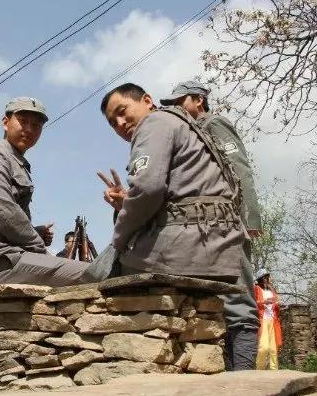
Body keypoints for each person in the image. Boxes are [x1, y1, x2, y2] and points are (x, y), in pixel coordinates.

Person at [158, 81, 261, 371]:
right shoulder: (186, 133)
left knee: (238, 300)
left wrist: (249, 217)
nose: (176, 108)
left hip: (229, 221)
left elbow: (240, 168)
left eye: (181, 101)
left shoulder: (214, 124)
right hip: (203, 227)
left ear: (199, 100)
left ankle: (244, 376)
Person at [98, 83, 246, 283]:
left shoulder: (153, 123)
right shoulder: (179, 124)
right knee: (237, 312)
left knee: (97, 277)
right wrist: (127, 201)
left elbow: (148, 190)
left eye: (122, 112)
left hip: (188, 247)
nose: (120, 123)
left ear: (147, 101)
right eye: (113, 123)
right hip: (219, 241)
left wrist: (118, 240)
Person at [0, 97, 99, 286]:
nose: (29, 129)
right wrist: (42, 251)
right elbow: (6, 215)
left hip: (8, 256)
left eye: (36, 125)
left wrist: (34, 232)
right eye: (23, 121)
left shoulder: (15, 161)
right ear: (5, 122)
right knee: (94, 273)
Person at [254, 270, 282, 370]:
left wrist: (277, 304)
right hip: (263, 319)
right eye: (268, 276)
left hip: (273, 320)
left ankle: (274, 370)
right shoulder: (256, 289)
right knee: (263, 347)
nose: (270, 278)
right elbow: (253, 303)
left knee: (273, 349)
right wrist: (264, 301)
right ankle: (259, 370)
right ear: (264, 278)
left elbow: (276, 304)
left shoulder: (272, 290)